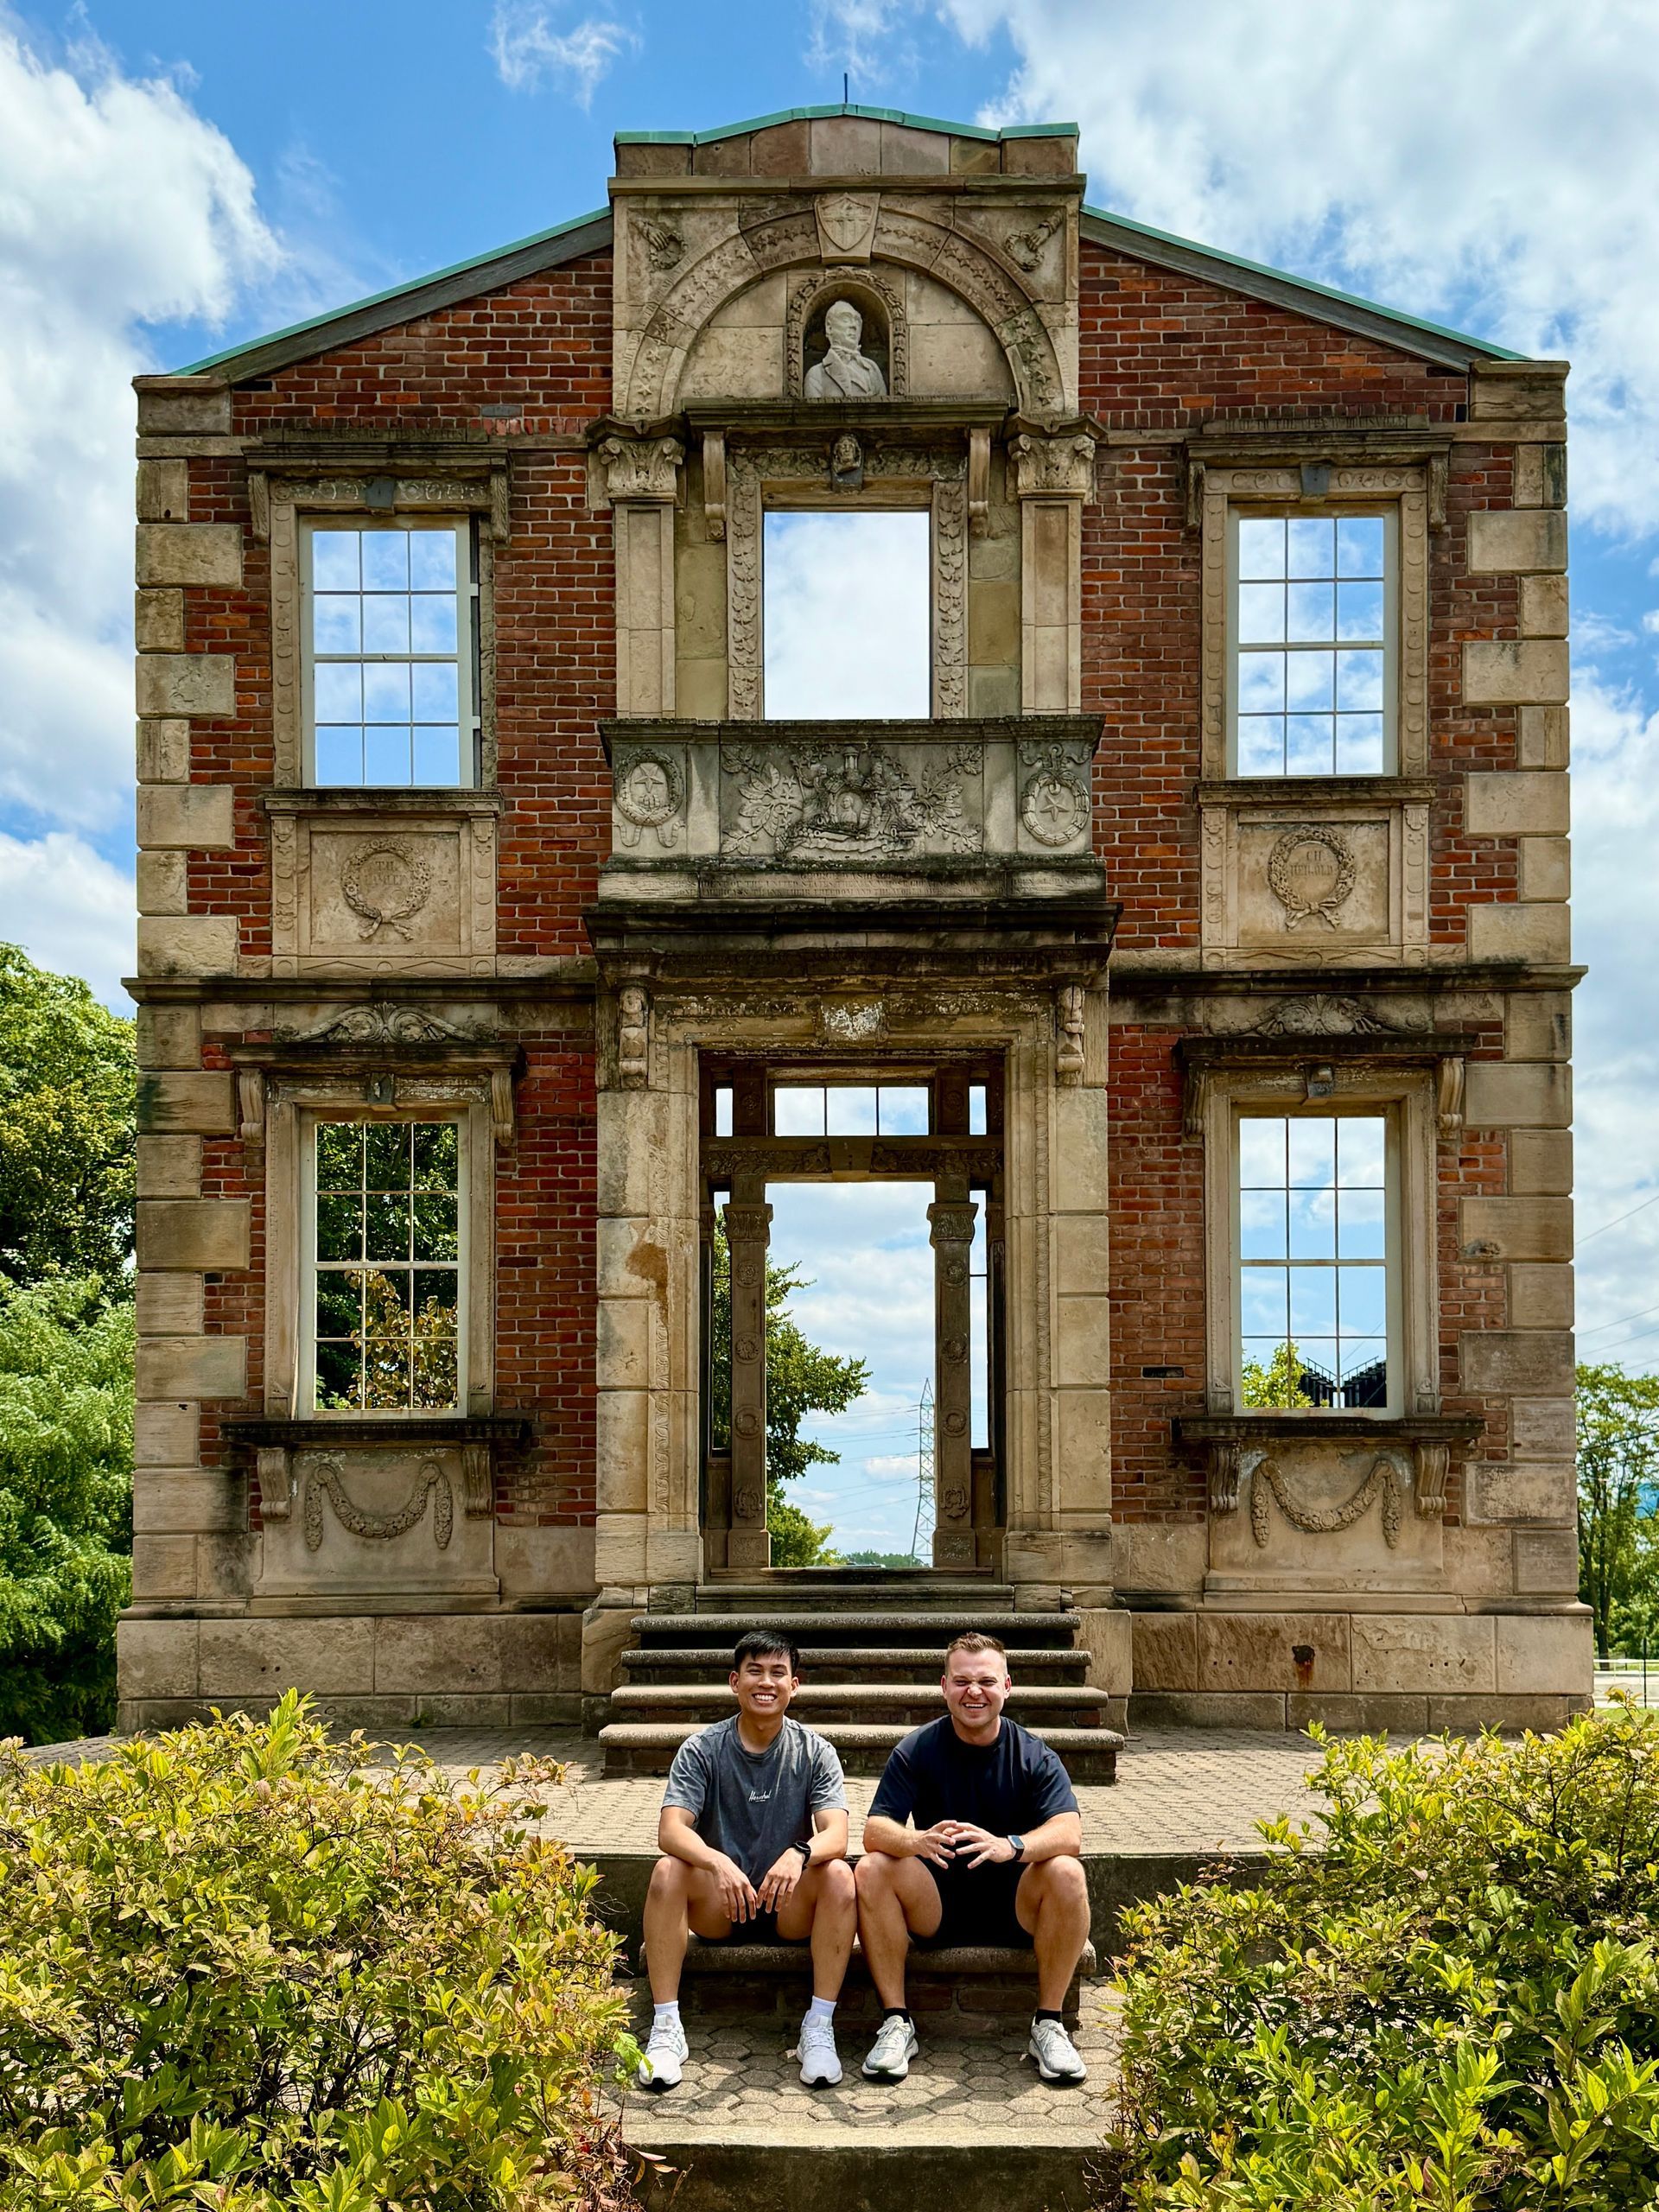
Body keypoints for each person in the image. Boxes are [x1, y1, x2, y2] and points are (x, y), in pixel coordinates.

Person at [854, 1630, 1091, 2086]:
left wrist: (1011, 1846)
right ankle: (896, 2022)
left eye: (986, 1681)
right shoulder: (916, 1749)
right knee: (873, 1867)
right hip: (936, 1906)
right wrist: (916, 1841)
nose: (973, 1692)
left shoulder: (1035, 1755)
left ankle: (1049, 2023)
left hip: (1017, 1908)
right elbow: (875, 1830)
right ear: (944, 1687)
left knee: (1066, 1870)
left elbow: (1069, 1832)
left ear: (1007, 1686)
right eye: (962, 1681)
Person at [637, 1628, 856, 2092]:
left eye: (778, 1672)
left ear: (794, 1685)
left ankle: (818, 2027)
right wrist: (717, 1863)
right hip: (721, 1908)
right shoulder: (702, 1749)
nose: (766, 1682)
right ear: (735, 1682)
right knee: (667, 1870)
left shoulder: (816, 1751)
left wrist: (799, 1853)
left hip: (788, 1907)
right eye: (755, 1671)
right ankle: (666, 2027)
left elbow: (837, 1836)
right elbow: (670, 1830)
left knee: (839, 1874)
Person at [804, 298, 887, 399]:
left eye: (857, 321)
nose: (854, 326)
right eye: (846, 319)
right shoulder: (816, 374)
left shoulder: (872, 369)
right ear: (829, 328)